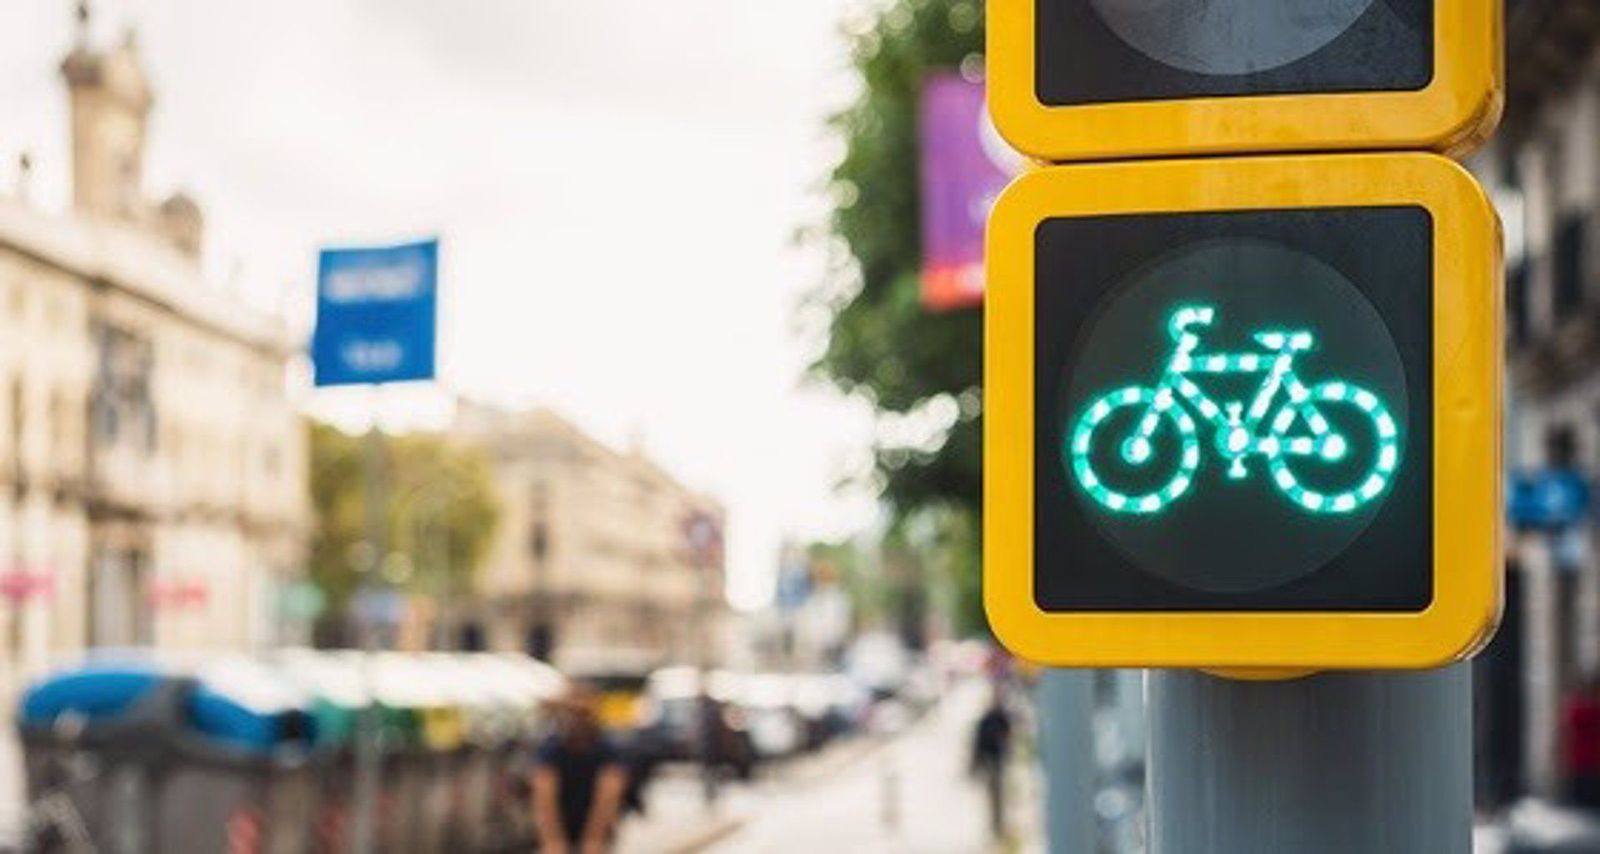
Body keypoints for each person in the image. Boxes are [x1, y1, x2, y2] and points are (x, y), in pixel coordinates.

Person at [533, 686, 629, 854]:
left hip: (596, 825)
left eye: (583, 713)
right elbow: (544, 795)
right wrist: (553, 840)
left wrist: (594, 838)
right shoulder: (552, 748)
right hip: (562, 822)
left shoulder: (607, 749)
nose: (577, 720)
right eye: (572, 713)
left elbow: (609, 796)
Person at [971, 689, 1013, 840]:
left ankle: (998, 826)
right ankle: (996, 827)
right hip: (991, 761)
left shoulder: (1001, 718)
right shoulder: (988, 720)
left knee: (998, 795)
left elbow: (1008, 736)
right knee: (994, 795)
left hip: (997, 761)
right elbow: (979, 743)